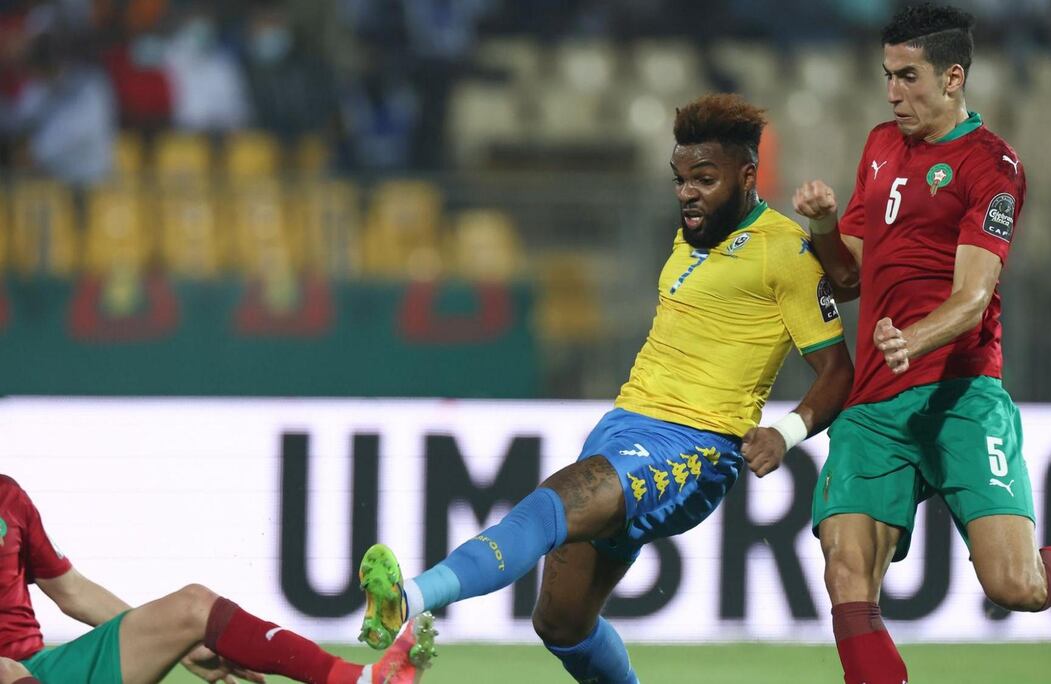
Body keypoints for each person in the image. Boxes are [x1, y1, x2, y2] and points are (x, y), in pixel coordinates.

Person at [357, 93, 855, 684]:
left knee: (551, 504)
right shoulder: (692, 234)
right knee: (561, 623)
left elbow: (837, 370)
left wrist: (785, 432)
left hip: (694, 446)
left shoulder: (785, 251)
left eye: (705, 180)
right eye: (680, 180)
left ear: (748, 177)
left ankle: (409, 599)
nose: (687, 193)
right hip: (624, 426)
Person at [792, 5, 1051, 683]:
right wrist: (823, 227)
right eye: (887, 75)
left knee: (1014, 586)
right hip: (875, 406)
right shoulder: (880, 145)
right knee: (845, 571)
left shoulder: (992, 166)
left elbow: (972, 298)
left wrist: (912, 340)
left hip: (961, 397)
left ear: (953, 77)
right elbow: (847, 277)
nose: (892, 92)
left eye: (908, 76)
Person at [0, 475, 435, 684]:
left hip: (39, 671)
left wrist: (168, 639)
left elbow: (71, 590)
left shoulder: (8, 497)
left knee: (193, 605)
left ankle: (357, 680)